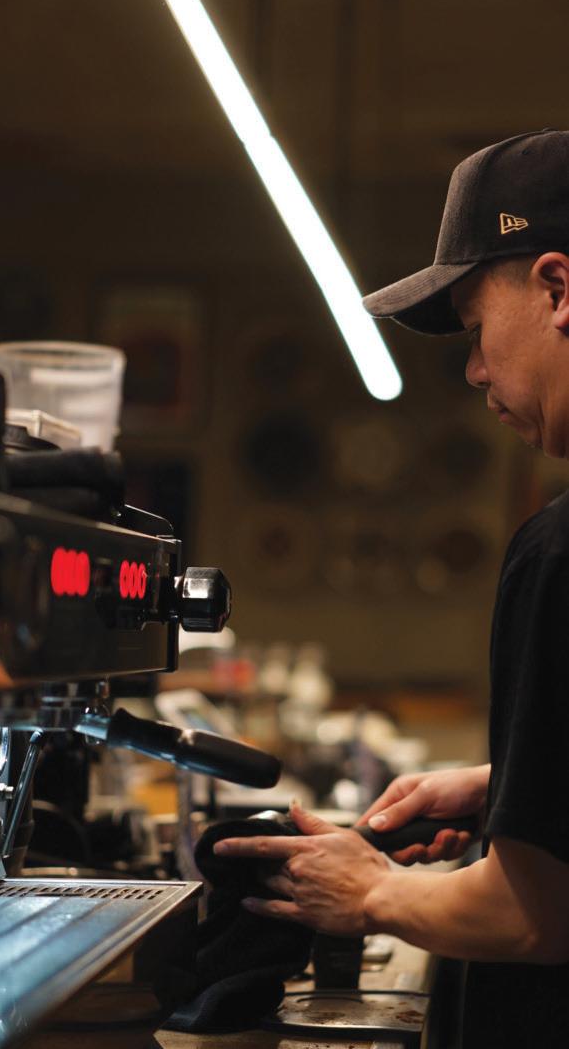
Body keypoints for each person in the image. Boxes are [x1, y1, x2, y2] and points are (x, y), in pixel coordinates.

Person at [212, 129, 569, 1047]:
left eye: (476, 329)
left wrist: (370, 890)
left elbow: (535, 915)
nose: (475, 369)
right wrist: (510, 790)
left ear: (558, 290)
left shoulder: (558, 553)